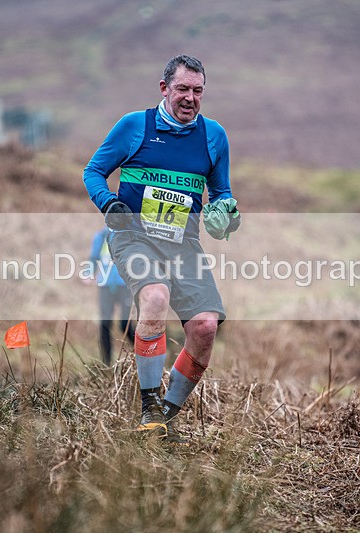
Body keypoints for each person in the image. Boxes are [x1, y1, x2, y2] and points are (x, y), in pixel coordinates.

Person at [83, 54, 240, 445]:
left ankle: (166, 417)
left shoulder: (213, 135)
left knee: (204, 327)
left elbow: (222, 193)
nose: (190, 98)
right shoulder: (135, 126)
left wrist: (227, 214)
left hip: (183, 243)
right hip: (133, 235)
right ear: (164, 88)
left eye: (198, 91)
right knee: (155, 296)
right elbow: (93, 171)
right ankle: (148, 409)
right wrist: (109, 203)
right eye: (183, 89)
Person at [89, 226, 134, 366]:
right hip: (105, 286)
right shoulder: (101, 236)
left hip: (125, 286)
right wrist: (88, 273)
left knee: (125, 325)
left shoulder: (130, 235)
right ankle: (106, 365)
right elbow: (94, 258)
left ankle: (145, 357)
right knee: (105, 324)